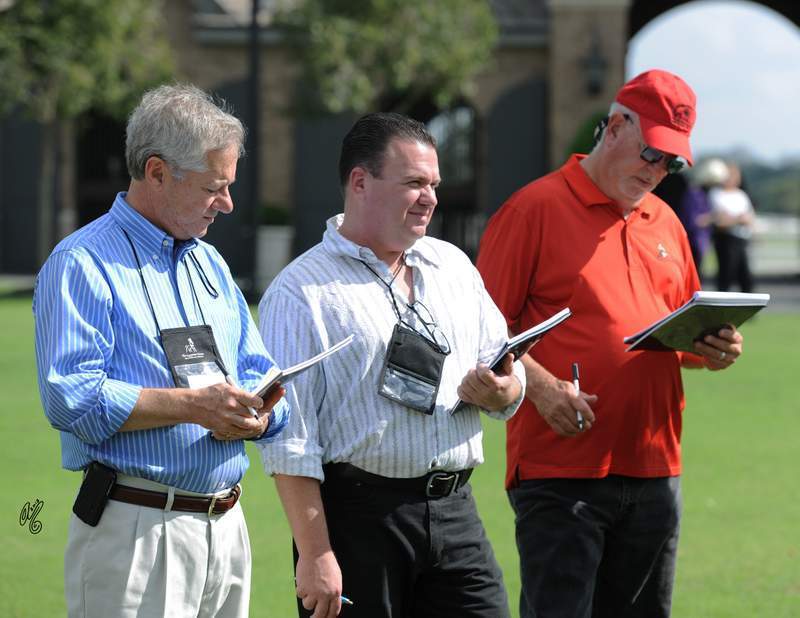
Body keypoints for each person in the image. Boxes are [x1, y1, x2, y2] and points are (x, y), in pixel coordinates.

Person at [476, 69, 745, 618]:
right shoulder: (534, 209)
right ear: (615, 126)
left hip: (654, 465)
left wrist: (712, 347)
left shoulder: (666, 221)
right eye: (651, 154)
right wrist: (542, 388)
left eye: (670, 162)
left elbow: (681, 329)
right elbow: (478, 329)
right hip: (560, 470)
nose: (657, 171)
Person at [33, 84, 289, 618]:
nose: (227, 203)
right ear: (156, 172)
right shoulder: (81, 262)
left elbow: (261, 372)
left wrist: (258, 416)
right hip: (136, 529)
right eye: (213, 187)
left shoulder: (211, 265)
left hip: (227, 528)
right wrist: (196, 406)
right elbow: (71, 399)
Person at [257, 112, 526, 618]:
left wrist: (502, 393)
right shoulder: (300, 291)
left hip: (456, 513)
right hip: (357, 522)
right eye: (414, 183)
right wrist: (315, 553)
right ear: (360, 182)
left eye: (434, 184)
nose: (431, 197)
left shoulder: (453, 266)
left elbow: (510, 369)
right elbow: (290, 440)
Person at [709, 161, 756, 292]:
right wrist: (737, 219)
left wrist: (735, 219)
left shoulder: (741, 195)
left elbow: (750, 218)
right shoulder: (716, 194)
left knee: (745, 278)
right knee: (726, 277)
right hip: (726, 239)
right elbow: (720, 221)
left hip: (742, 239)